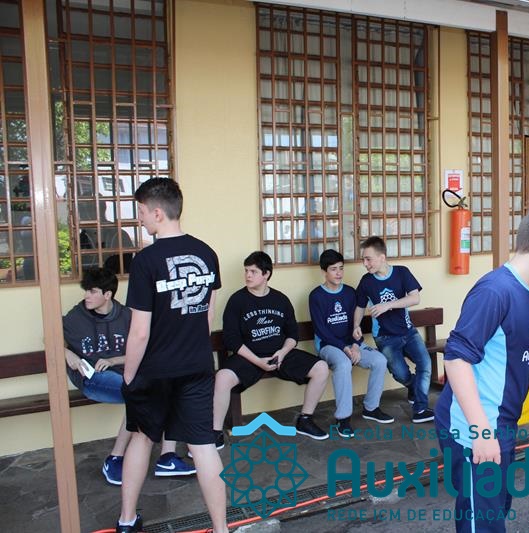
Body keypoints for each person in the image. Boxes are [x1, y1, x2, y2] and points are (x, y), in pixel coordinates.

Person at [435, 202, 529, 533]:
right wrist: (480, 431)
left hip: (502, 422)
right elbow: (456, 359)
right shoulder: (495, 291)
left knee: (496, 508)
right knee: (482, 520)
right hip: (475, 425)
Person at [117, 178, 227, 533]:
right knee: (203, 446)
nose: (139, 219)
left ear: (157, 213)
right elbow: (207, 316)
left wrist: (129, 376)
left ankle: (126, 521)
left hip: (156, 369)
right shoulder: (207, 253)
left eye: (141, 212)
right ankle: (221, 529)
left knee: (141, 438)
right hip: (198, 365)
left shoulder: (146, 261)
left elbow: (140, 331)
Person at [63, 266, 194, 486]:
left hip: (125, 374)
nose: (87, 296)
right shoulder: (77, 316)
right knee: (149, 395)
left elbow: (145, 348)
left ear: (107, 294)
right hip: (92, 378)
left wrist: (114, 360)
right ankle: (154, 456)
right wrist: (66, 352)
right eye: (86, 290)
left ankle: (159, 457)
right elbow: (50, 336)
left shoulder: (126, 315)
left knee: (158, 391)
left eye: (92, 291)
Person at [212, 251, 331, 441]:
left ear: (266, 274)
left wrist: (282, 353)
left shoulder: (280, 299)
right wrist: (258, 361)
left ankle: (305, 420)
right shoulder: (237, 300)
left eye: (253, 271)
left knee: (321, 368)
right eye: (246, 271)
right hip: (249, 357)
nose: (248, 275)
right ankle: (215, 432)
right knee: (222, 378)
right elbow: (231, 339)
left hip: (279, 355)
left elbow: (293, 334)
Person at [309, 249, 394, 438]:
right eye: (333, 269)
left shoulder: (349, 292)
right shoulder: (316, 296)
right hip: (328, 345)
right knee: (343, 363)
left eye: (341, 268)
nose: (338, 273)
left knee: (379, 360)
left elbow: (356, 323)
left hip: (351, 343)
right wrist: (345, 348)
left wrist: (355, 345)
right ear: (324, 271)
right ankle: (343, 418)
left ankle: (371, 408)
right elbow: (321, 330)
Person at [354, 236, 433, 423]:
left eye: (368, 259)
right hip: (385, 337)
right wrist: (356, 325)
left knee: (425, 364)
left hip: (408, 332)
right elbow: (359, 307)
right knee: (400, 374)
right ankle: (414, 387)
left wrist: (387, 305)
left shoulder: (401, 272)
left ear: (382, 257)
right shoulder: (366, 281)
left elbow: (415, 298)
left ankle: (420, 409)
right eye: (363, 259)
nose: (365, 264)